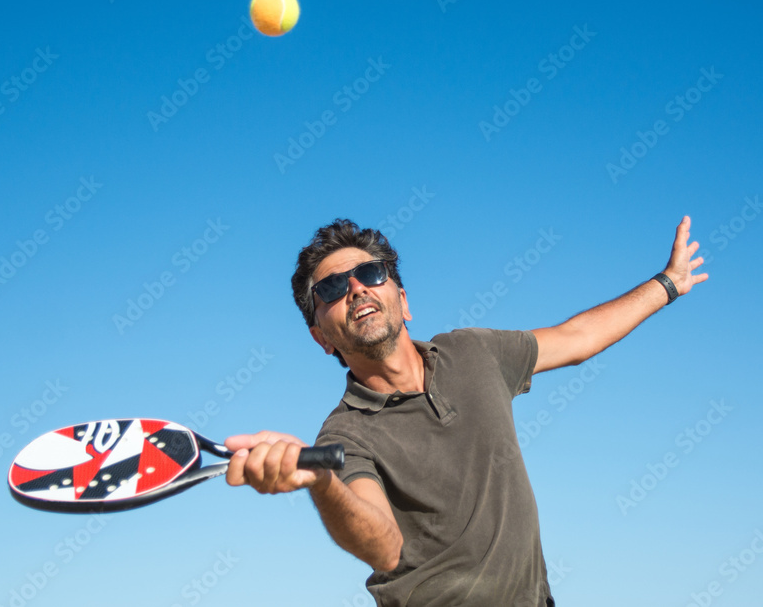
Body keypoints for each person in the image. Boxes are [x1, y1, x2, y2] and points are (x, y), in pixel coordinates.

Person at [224, 216, 708, 606]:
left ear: (403, 300)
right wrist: (323, 482)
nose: (355, 289)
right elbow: (383, 545)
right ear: (320, 337)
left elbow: (578, 339)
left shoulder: (473, 352)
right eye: (330, 289)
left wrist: (668, 283)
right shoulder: (346, 435)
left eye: (370, 274)